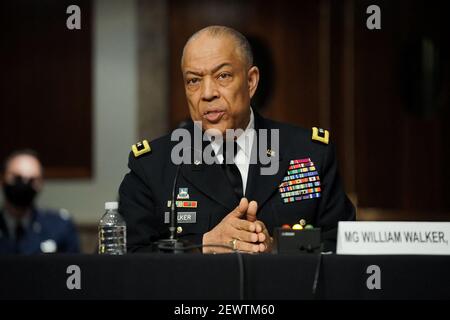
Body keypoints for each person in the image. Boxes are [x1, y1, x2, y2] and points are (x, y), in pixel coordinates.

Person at [119, 25, 355, 253]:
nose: (207, 93)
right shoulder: (152, 166)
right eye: (194, 80)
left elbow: (343, 248)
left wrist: (276, 251)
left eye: (223, 76)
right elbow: (128, 260)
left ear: (251, 82)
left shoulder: (309, 154)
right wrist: (204, 245)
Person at [0, 150, 80, 254]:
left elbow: (74, 268)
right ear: (2, 179)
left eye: (32, 180)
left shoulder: (59, 226)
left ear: (40, 184)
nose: (24, 185)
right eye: (17, 178)